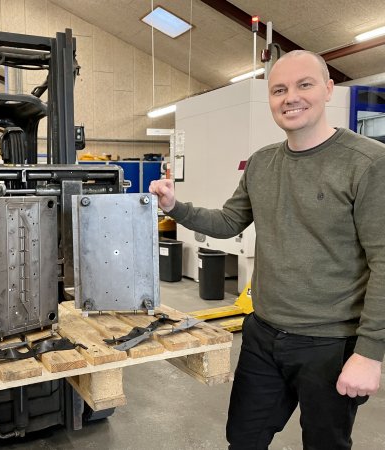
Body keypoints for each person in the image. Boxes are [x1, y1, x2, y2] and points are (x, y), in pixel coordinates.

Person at [150, 50, 384, 449]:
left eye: (304, 85)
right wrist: (175, 207)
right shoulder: (261, 163)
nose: (291, 97)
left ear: (328, 89)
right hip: (263, 334)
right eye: (279, 90)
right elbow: (229, 221)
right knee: (243, 439)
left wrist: (370, 353)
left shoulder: (368, 163)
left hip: (330, 342)